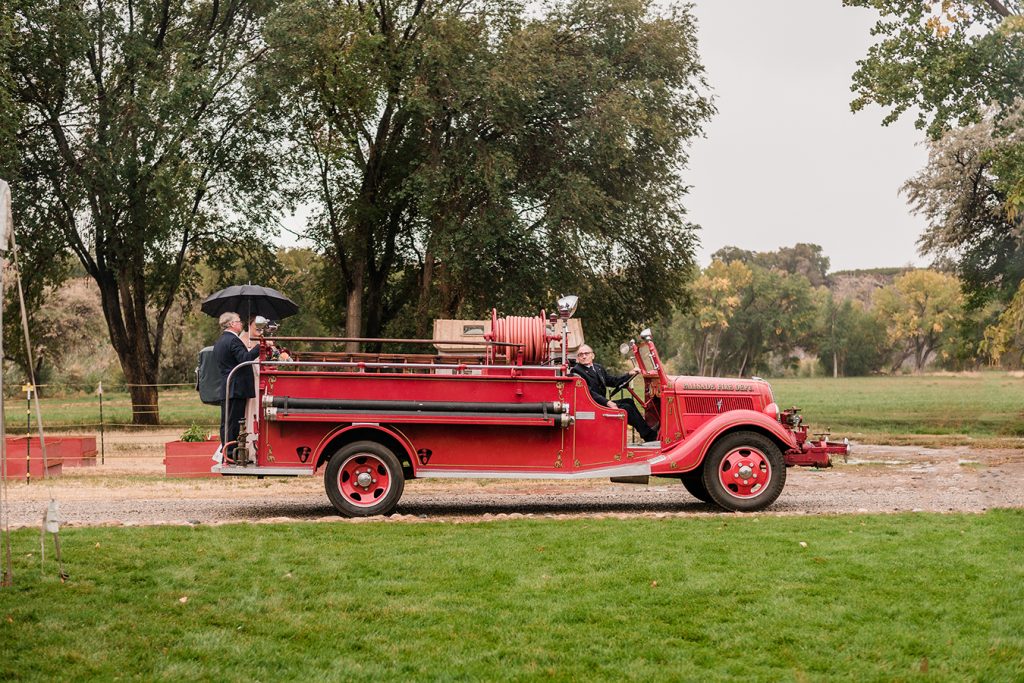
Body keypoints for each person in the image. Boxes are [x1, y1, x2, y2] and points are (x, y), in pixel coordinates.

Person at [571, 344, 659, 443]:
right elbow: (589, 392)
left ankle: (647, 431)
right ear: (578, 358)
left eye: (586, 353)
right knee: (627, 408)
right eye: (580, 355)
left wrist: (629, 374)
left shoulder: (598, 368)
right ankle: (649, 436)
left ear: (593, 355)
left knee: (629, 401)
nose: (584, 356)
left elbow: (612, 381)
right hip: (593, 405)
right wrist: (608, 402)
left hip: (600, 403)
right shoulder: (577, 371)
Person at [214, 312, 260, 461]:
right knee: (233, 423)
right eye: (239, 321)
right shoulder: (233, 341)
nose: (241, 324)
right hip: (236, 387)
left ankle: (227, 452)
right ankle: (231, 454)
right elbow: (244, 359)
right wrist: (259, 347)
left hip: (227, 386)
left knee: (226, 422)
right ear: (232, 324)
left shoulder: (221, 341)